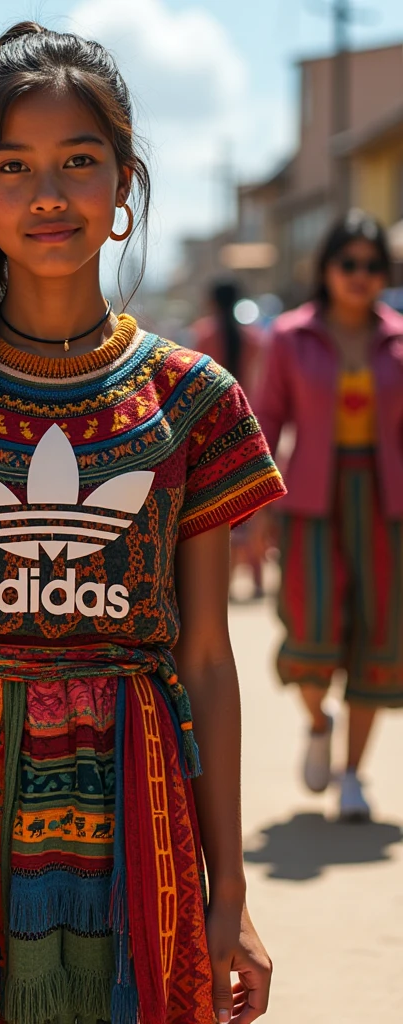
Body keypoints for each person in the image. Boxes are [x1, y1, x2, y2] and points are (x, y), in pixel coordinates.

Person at [0, 23, 285, 1024]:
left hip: (138, 791)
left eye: (79, 161)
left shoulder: (191, 398)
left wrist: (231, 890)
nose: (49, 193)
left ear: (124, 187)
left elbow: (206, 655)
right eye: (14, 165)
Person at [254, 210, 403, 821]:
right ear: (327, 269)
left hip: (387, 502)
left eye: (372, 266)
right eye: (349, 264)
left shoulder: (398, 338)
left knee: (380, 629)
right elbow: (264, 423)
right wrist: (253, 513)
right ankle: (320, 719)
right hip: (310, 500)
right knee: (310, 625)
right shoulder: (291, 337)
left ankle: (353, 777)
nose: (360, 276)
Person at [192, 280, 269, 598]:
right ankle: (258, 577)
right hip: (248, 420)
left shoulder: (204, 334)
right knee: (251, 505)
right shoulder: (253, 337)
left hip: (212, 428)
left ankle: (219, 583)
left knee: (218, 510)